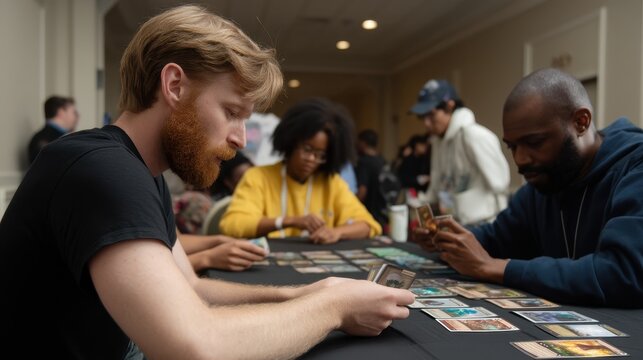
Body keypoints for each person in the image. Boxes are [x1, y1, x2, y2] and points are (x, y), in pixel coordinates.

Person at [0, 6, 414, 358]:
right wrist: (334, 307)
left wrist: (309, 293)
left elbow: (192, 286)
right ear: (174, 85)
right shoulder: (102, 170)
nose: (239, 137)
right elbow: (194, 346)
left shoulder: (142, 173)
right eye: (232, 111)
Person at [416, 68, 643, 308]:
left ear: (580, 122)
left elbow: (625, 273)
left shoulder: (635, 168)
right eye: (512, 147)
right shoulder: (544, 181)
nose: (521, 159)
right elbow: (498, 238)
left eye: (534, 142)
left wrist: (497, 268)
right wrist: (449, 239)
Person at [220, 97, 382, 244]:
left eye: (320, 155)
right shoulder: (258, 177)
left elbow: (369, 225)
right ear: (291, 142)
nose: (312, 159)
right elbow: (232, 224)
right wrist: (289, 221)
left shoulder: (332, 183)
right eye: (307, 149)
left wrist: (336, 232)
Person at [410, 79, 510, 225]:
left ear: (450, 106)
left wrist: (502, 230)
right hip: (456, 223)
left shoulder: (474, 135)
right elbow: (437, 184)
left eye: (431, 115)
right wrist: (417, 205)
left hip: (485, 225)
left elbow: (500, 185)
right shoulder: (438, 142)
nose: (426, 123)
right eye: (422, 117)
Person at [27, 95, 79, 163]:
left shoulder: (40, 138)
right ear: (61, 112)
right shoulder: (59, 140)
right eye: (73, 112)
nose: (76, 117)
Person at [355, 129, 388, 227]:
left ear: (363, 143)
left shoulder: (363, 162)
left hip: (370, 212)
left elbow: (362, 191)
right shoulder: (382, 160)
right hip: (383, 210)